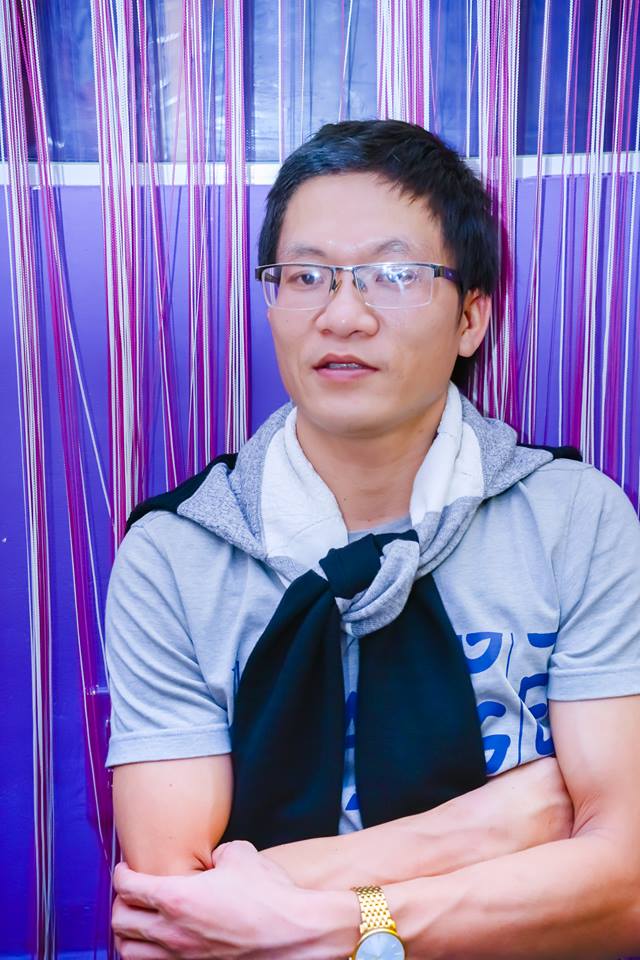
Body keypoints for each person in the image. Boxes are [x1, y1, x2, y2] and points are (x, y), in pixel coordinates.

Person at [106, 120, 640, 959]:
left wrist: (339, 925)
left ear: (471, 318)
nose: (343, 315)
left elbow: (626, 887)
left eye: (394, 276)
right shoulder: (175, 554)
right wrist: (488, 827)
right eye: (305, 276)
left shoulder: (576, 518)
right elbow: (177, 909)